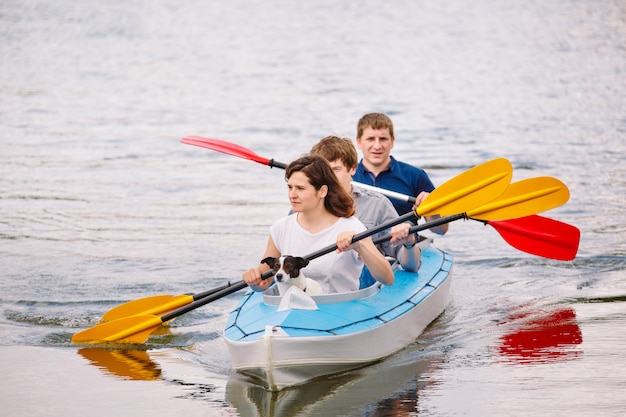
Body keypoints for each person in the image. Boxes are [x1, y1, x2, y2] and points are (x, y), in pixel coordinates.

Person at [242, 154, 394, 294]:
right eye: (290, 187)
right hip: (295, 310)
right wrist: (254, 279)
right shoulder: (280, 228)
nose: (292, 194)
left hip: (339, 309)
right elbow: (264, 281)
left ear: (322, 191)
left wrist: (359, 246)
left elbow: (387, 278)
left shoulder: (351, 227)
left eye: (300, 188)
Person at [310, 135, 421, 273]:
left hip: (364, 287)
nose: (328, 177)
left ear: (352, 169)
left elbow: (411, 266)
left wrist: (409, 243)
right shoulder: (306, 205)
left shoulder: (377, 205)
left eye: (335, 170)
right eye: (323, 171)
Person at [352, 112, 448, 235]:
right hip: (359, 246)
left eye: (383, 139)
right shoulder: (348, 177)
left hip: (404, 246)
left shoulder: (415, 176)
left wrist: (431, 210)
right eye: (370, 139)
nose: (377, 146)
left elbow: (441, 230)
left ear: (392, 141)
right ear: (359, 142)